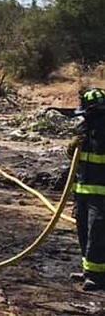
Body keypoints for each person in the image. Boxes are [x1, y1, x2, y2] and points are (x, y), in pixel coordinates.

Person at [68, 88, 105, 290]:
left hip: (101, 196)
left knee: (96, 234)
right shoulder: (83, 130)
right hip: (81, 192)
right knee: (83, 231)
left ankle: (97, 277)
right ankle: (87, 270)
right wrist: (71, 147)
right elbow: (74, 159)